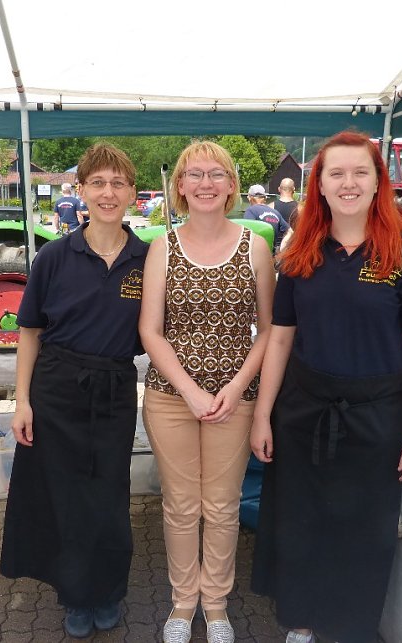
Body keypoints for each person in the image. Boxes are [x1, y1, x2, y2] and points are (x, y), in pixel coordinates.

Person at [250, 130, 402, 643]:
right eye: (336, 173)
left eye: (360, 172)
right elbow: (281, 338)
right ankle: (300, 623)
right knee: (300, 523)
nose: (348, 183)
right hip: (303, 412)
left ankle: (349, 628)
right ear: (319, 184)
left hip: (375, 418)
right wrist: (263, 415)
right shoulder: (300, 250)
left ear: (378, 181)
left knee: (362, 531)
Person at [0, 143, 148, 639]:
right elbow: (30, 333)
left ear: (132, 192)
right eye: (98, 183)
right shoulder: (54, 256)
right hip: (57, 389)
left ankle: (106, 591)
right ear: (80, 190)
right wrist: (22, 402)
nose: (108, 193)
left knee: (107, 494)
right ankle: (74, 595)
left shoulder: (147, 260)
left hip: (114, 389)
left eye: (118, 183)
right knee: (62, 496)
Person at [139, 141, 275, 643]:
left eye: (216, 174)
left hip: (235, 400)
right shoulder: (163, 247)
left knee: (221, 506)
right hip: (171, 398)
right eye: (194, 174)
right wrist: (191, 391)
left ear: (231, 185)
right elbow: (151, 330)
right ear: (180, 185)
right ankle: (183, 602)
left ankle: (215, 605)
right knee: (180, 506)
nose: (205, 183)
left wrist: (236, 389)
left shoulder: (255, 246)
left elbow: (269, 330)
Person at [243, 184, 289, 252]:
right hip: (271, 255)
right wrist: (281, 249)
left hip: (256, 254)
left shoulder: (251, 211)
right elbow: (290, 232)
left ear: (249, 198)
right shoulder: (276, 213)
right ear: (265, 198)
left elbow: (246, 233)